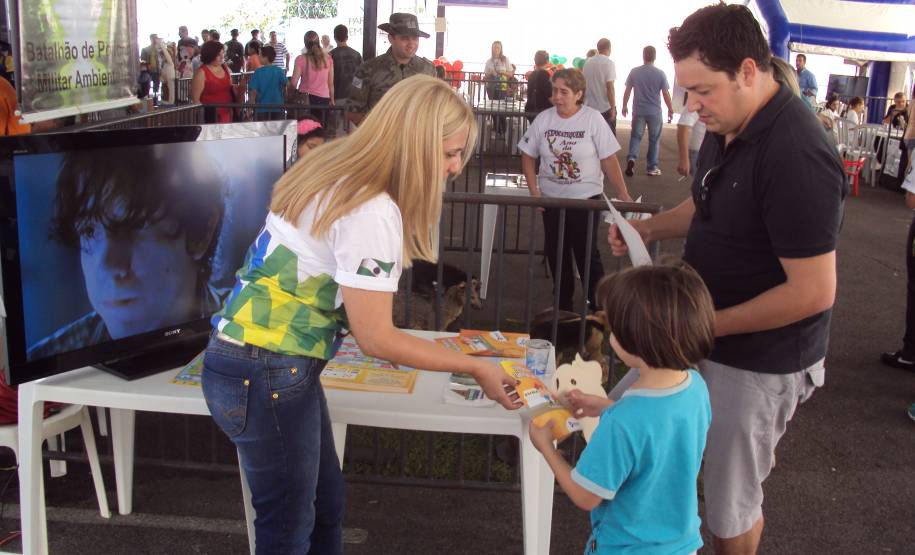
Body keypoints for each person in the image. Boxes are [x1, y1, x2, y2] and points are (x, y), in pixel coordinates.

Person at [202, 75, 522, 553]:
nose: (456, 168)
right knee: (289, 528)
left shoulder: (337, 167)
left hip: (259, 364)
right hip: (268, 368)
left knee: (321, 507)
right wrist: (475, 365)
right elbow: (376, 338)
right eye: (450, 153)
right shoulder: (372, 208)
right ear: (415, 144)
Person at [610, 5, 845, 554]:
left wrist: (703, 325)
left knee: (729, 505)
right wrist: (649, 228)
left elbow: (814, 292)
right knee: (630, 426)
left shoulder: (798, 154)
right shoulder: (730, 122)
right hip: (702, 337)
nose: (691, 105)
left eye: (702, 90)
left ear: (747, 71)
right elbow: (705, 202)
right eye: (687, 91)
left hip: (760, 359)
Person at [530, 262, 714, 555]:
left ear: (635, 338)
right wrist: (606, 406)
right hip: (682, 545)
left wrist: (545, 447)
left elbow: (585, 495)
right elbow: (659, 424)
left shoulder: (622, 422)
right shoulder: (695, 386)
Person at [28, 148, 223, 360]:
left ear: (200, 233)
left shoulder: (248, 332)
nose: (107, 265)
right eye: (89, 231)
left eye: (134, 225)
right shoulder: (45, 361)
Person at [519, 68, 632, 313]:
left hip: (586, 201)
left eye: (564, 92)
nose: (557, 97)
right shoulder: (544, 119)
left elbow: (608, 159)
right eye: (555, 91)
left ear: (579, 94)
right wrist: (534, 192)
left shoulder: (593, 119)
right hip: (552, 202)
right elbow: (527, 155)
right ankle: (563, 306)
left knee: (587, 254)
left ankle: (598, 306)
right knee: (556, 254)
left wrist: (623, 194)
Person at [346, 13, 435, 126]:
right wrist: (377, 131)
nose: (411, 44)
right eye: (404, 38)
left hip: (418, 135)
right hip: (379, 135)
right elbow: (353, 111)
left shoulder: (428, 70)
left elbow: (435, 108)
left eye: (415, 38)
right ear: (390, 38)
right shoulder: (367, 70)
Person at [622, 45, 673, 177]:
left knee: (635, 137)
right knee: (654, 140)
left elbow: (628, 90)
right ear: (655, 57)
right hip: (654, 112)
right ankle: (652, 167)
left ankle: (632, 158)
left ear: (643, 56)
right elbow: (665, 93)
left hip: (638, 110)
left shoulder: (634, 72)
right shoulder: (660, 73)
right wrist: (670, 109)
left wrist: (624, 105)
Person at [290, 30, 334, 127]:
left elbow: (293, 82)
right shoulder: (328, 59)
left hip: (305, 99)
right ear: (318, 42)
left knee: (305, 130)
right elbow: (330, 83)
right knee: (321, 130)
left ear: (305, 43)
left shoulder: (300, 59)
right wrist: (332, 100)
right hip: (324, 99)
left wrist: (290, 95)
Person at [191, 41, 234, 124]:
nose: (222, 57)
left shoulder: (224, 67)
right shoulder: (201, 73)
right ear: (210, 55)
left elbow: (229, 87)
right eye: (218, 55)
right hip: (210, 116)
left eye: (223, 53)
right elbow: (195, 99)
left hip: (228, 113)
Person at [582, 38, 618, 135]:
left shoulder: (588, 62)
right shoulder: (609, 63)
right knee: (608, 138)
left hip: (589, 106)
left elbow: (584, 84)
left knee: (591, 136)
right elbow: (610, 88)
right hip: (605, 108)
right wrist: (613, 108)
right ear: (609, 48)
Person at [247, 45, 287, 121]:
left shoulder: (258, 72)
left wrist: (250, 108)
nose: (258, 57)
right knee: (277, 128)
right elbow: (286, 86)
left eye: (260, 55)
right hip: (278, 107)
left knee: (262, 129)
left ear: (266, 57)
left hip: (261, 109)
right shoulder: (279, 71)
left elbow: (253, 92)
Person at [484, 40, 514, 135]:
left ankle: (504, 130)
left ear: (501, 49)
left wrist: (503, 72)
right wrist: (490, 73)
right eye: (494, 47)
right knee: (493, 109)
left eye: (498, 47)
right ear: (492, 49)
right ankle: (496, 130)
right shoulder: (489, 61)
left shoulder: (505, 60)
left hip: (502, 87)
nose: (496, 49)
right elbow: (485, 76)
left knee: (501, 109)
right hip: (491, 88)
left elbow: (511, 74)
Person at [524, 50, 552, 120]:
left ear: (535, 60)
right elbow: (549, 94)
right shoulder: (544, 75)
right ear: (547, 61)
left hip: (530, 109)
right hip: (542, 110)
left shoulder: (532, 75)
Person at [140, 34, 162, 104]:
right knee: (147, 87)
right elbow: (142, 61)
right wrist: (147, 66)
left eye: (156, 38)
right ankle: (148, 102)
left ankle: (155, 101)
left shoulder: (160, 50)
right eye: (154, 38)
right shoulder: (145, 50)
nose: (155, 39)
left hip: (157, 71)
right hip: (148, 72)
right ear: (151, 39)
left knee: (156, 87)